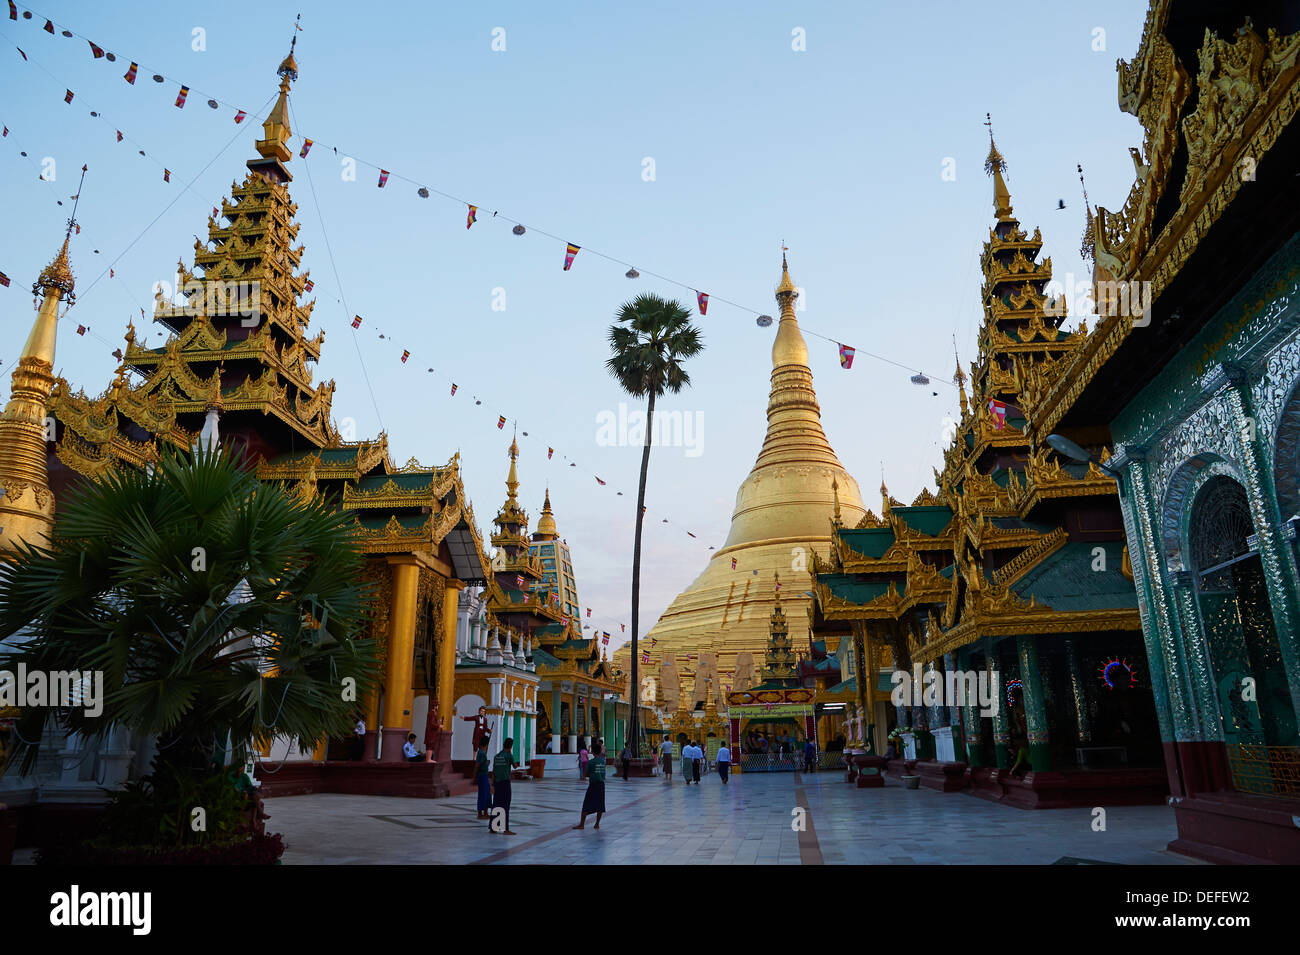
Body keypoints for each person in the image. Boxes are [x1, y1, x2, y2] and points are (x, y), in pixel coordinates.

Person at [573, 742, 606, 829]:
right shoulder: (602, 762)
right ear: (600, 752)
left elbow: (585, 774)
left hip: (593, 784)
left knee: (586, 804)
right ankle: (597, 824)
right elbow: (603, 775)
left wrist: (590, 775)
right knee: (600, 804)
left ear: (593, 752)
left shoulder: (590, 762)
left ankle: (582, 824)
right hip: (601, 785)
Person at [490, 737, 519, 834]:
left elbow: (493, 771)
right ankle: (505, 829)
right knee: (505, 805)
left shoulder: (497, 756)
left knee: (496, 804)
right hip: (505, 783)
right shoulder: (508, 756)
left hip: (497, 783)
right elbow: (515, 766)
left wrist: (492, 784)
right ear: (511, 746)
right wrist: (510, 754)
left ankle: (493, 827)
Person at [474, 737, 492, 818]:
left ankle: (485, 812)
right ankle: (480, 813)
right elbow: (477, 765)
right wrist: (474, 776)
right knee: (483, 794)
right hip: (482, 776)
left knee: (487, 794)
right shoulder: (481, 753)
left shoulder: (483, 753)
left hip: (485, 775)